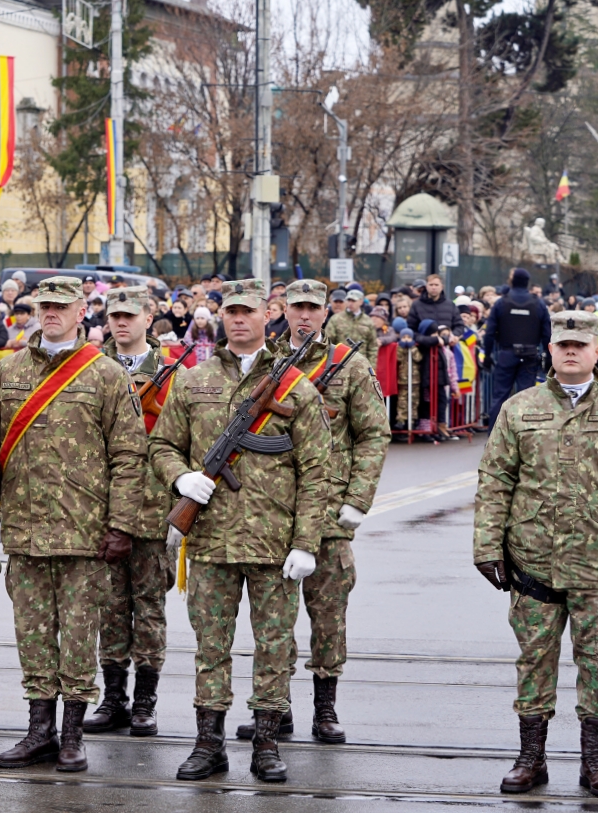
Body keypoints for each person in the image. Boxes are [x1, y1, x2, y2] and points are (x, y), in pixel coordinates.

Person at [149, 278, 329, 783]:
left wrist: (306, 543)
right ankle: (208, 743)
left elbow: (318, 471)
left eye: (248, 311)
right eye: (231, 312)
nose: (239, 320)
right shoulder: (193, 381)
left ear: (267, 316)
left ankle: (266, 742)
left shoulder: (295, 387)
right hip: (210, 541)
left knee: (274, 646)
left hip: (275, 544)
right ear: (221, 317)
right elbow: (161, 446)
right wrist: (180, 477)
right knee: (210, 647)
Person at [474, 310, 598, 799]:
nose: (571, 351)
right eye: (563, 344)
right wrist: (486, 544)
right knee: (534, 660)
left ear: (596, 351)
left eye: (580, 345)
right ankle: (531, 757)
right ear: (550, 350)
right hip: (533, 563)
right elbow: (495, 480)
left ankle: (595, 761)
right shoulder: (519, 409)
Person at [0, 275, 145, 773]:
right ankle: (40, 732)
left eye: (60, 306)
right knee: (32, 635)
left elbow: (129, 455)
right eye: (44, 306)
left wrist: (121, 525)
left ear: (81, 311)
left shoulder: (106, 374)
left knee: (78, 636)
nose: (50, 313)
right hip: (26, 530)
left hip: (85, 533)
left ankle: (72, 734)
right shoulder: (6, 371)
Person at [234, 280, 389, 745]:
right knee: (273, 620)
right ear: (282, 310)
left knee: (328, 614)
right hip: (273, 510)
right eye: (297, 307)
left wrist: (358, 499)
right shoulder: (264, 360)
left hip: (329, 512)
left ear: (326, 313)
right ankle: (274, 707)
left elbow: (373, 435)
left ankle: (325, 708)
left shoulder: (349, 365)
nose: (304, 315)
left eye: (313, 308)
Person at [84, 286, 174, 738]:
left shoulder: (174, 373)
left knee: (150, 607)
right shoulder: (90, 367)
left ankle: (145, 701)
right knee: (110, 607)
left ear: (148, 318)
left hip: (154, 509)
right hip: (102, 507)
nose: (120, 322)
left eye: (129, 316)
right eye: (114, 315)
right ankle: (114, 698)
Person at [483, 268, 550, 426]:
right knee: (526, 398)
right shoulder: (538, 303)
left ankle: (495, 435)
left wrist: (487, 355)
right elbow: (547, 333)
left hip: (507, 354)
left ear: (512, 281)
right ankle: (524, 434)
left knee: (500, 396)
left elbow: (490, 332)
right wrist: (549, 357)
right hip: (530, 355)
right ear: (527, 283)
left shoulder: (501, 302)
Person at [325, 289, 379, 366]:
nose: (350, 303)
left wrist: (371, 367)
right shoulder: (336, 319)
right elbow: (328, 342)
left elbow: (372, 348)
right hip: (339, 364)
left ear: (361, 302)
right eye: (348, 300)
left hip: (361, 365)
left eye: (353, 301)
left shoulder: (368, 321)